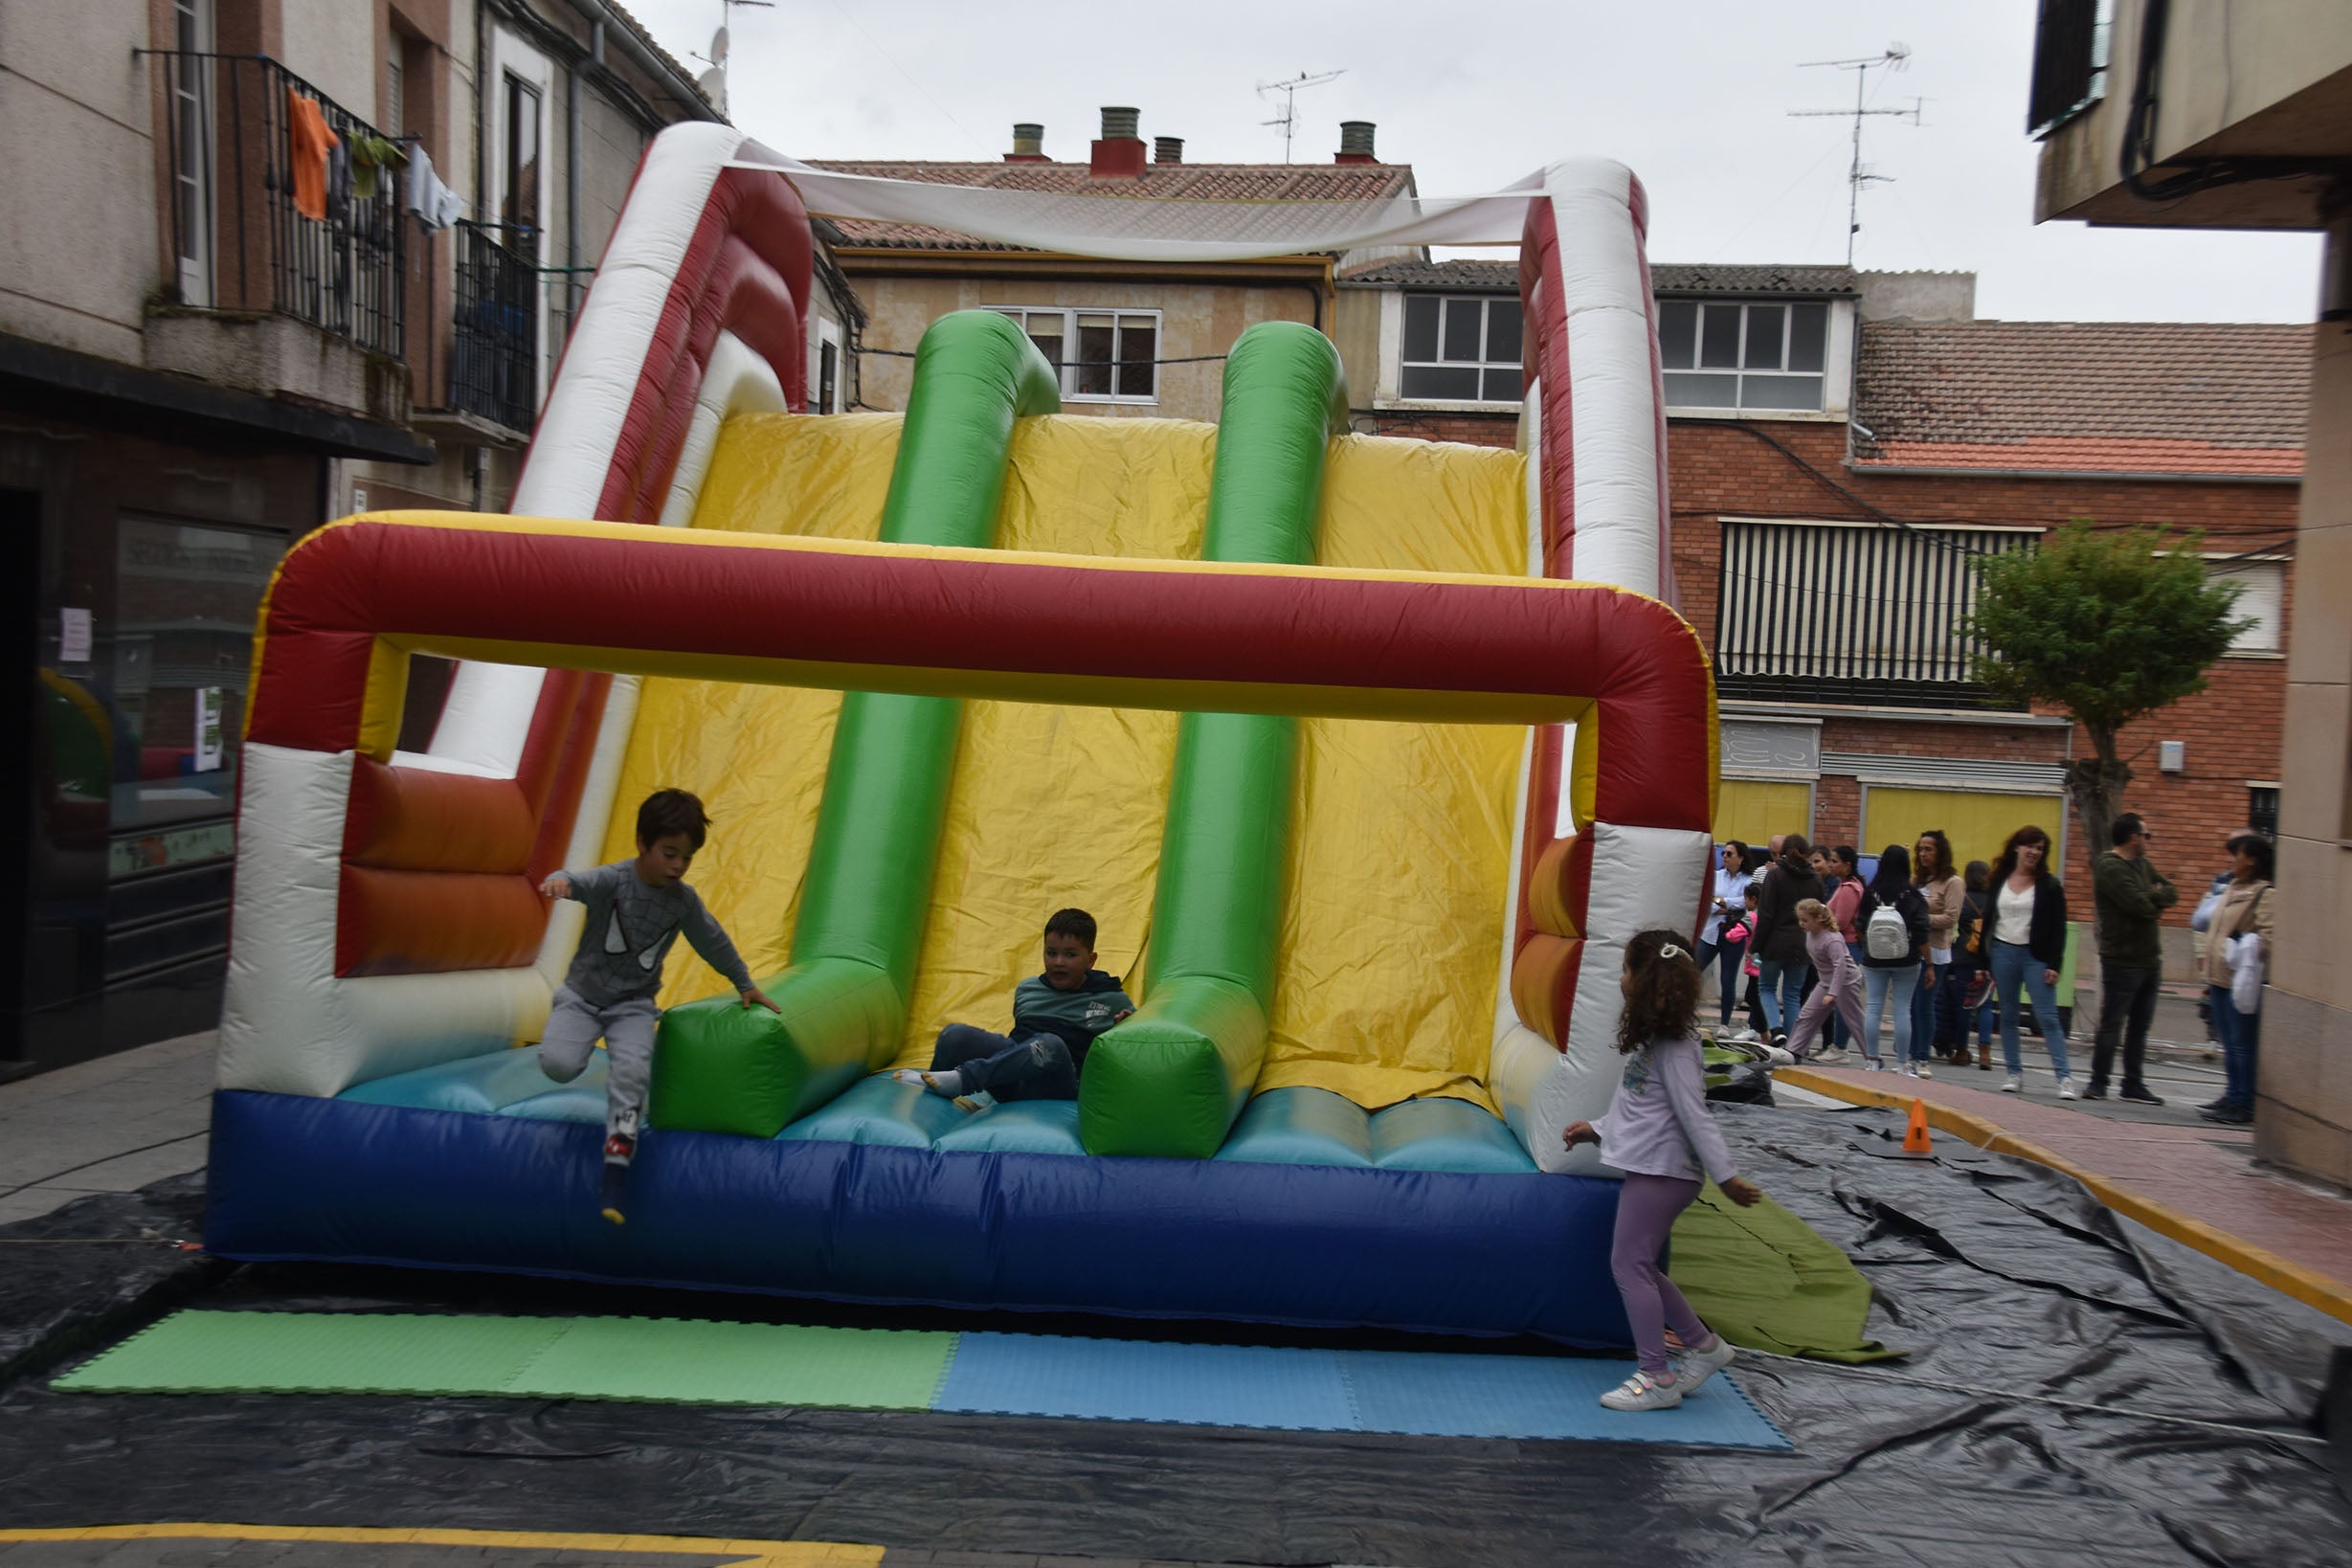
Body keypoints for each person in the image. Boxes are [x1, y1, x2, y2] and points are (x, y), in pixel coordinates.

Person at [538, 788, 780, 1223]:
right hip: (582, 998)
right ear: (642, 843)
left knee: (631, 1074)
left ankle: (615, 1174)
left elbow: (713, 941)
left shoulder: (682, 902)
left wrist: (745, 983)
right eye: (669, 853)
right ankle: (584, 1065)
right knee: (557, 1064)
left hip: (633, 1004)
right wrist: (560, 881)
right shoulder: (613, 881)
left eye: (686, 858)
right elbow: (577, 881)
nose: (677, 866)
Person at [1561, 930, 1763, 1412]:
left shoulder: (1675, 1046)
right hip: (1657, 1167)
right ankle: (1706, 1347)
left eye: (1627, 969)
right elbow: (1641, 1111)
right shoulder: (1657, 1041)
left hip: (1664, 1172)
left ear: (1646, 979)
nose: (1621, 978)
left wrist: (1726, 1174)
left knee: (1628, 1266)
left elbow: (1694, 1114)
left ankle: (1656, 1376)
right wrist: (1596, 1128)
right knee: (1642, 1265)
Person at [904, 907, 1135, 1111]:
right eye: (1051, 952)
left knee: (1050, 1044)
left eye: (1070, 955)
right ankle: (932, 1101)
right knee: (954, 1035)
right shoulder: (1028, 990)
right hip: (1012, 1083)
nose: (1059, 962)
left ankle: (964, 1079)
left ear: (1091, 960)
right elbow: (1018, 1044)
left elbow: (1139, 1039)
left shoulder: (1110, 998)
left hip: (1058, 1087)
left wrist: (1124, 1029)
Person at [2089, 813, 2177, 1105]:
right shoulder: (2110, 866)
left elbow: (2171, 891)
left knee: (2140, 1025)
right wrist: (2152, 899)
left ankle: (2133, 1083)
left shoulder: (2142, 865)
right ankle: (2098, 1082)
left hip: (2150, 959)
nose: (2149, 841)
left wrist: (2154, 897)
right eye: (2146, 835)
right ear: (2133, 838)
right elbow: (2137, 905)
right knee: (2112, 1023)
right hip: (2122, 959)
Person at [1987, 824, 2073, 1097]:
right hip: (2003, 951)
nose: (2034, 852)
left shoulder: (2049, 885)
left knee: (2048, 1017)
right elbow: (1989, 920)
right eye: (2030, 846)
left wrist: (2054, 965)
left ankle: (2065, 1078)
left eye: (2040, 848)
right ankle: (2014, 1073)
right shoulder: (1999, 878)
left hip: (2035, 956)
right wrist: (1983, 961)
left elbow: (2059, 928)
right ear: (2017, 846)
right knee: (2009, 1016)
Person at [2197, 832, 2274, 1126]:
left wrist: (2246, 944)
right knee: (2229, 1043)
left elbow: (2269, 936)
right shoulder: (2231, 886)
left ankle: (2244, 1102)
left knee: (2242, 1044)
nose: (2231, 860)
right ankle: (2231, 1095)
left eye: (2236, 855)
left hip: (2240, 981)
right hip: (2217, 976)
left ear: (2252, 860)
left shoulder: (2264, 893)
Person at [1854, 843, 1932, 1074]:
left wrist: (1867, 946)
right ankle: (1902, 1064)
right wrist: (1929, 963)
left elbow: (1859, 924)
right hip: (1906, 958)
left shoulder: (1870, 892)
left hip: (1875, 957)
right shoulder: (1913, 895)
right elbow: (1921, 931)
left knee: (1874, 1006)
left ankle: (1872, 1060)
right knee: (1902, 1009)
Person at [1749, 833, 1824, 1047]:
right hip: (1803, 945)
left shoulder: (1775, 877)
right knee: (1793, 994)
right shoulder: (1816, 880)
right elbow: (1820, 912)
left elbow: (1766, 915)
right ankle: (1795, 1044)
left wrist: (1755, 946)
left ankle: (1777, 1029)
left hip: (1775, 942)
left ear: (1782, 854)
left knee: (1766, 987)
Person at [1910, 831, 1965, 1068]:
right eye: (1920, 849)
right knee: (1911, 1004)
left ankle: (1922, 1054)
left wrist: (1921, 919)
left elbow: (1951, 919)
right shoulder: (1917, 880)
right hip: (1912, 948)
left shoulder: (1953, 882)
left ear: (1940, 852)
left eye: (1929, 849)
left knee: (1925, 1004)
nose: (1923, 854)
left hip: (1936, 950)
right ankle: (1910, 1051)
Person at [1782, 899, 1860, 1064]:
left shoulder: (1832, 939)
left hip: (1846, 982)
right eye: (1800, 920)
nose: (1801, 924)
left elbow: (1841, 967)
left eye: (1805, 920)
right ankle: (1793, 1052)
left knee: (1854, 1020)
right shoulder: (1810, 934)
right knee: (1806, 1015)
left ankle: (1872, 1056)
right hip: (1825, 982)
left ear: (1818, 918)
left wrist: (1833, 993)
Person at [1698, 840, 1754, 1023]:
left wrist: (1724, 903)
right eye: (1724, 854)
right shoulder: (1716, 876)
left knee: (1728, 979)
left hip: (1733, 933)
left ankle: (1725, 1023)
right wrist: (1726, 905)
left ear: (1741, 858)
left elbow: (1745, 902)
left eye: (1730, 854)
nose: (1725, 857)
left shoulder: (1748, 879)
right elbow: (1707, 900)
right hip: (1711, 932)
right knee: (1693, 969)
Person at [1950, 861, 1998, 1069]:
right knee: (1986, 1005)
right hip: (1988, 958)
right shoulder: (1994, 900)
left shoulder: (1963, 899)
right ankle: (1985, 1053)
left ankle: (1961, 1050)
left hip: (1963, 957)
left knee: (1964, 1005)